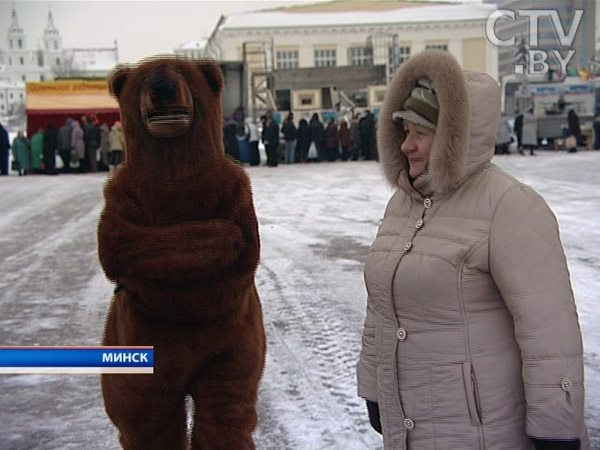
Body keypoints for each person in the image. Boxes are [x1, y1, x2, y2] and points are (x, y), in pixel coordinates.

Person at [357, 50, 588, 450]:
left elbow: (548, 330)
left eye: (421, 134)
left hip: (484, 430)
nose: (407, 146)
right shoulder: (402, 204)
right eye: (404, 131)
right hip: (411, 424)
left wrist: (557, 426)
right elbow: (381, 305)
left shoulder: (509, 205)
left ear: (454, 136)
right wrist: (374, 387)